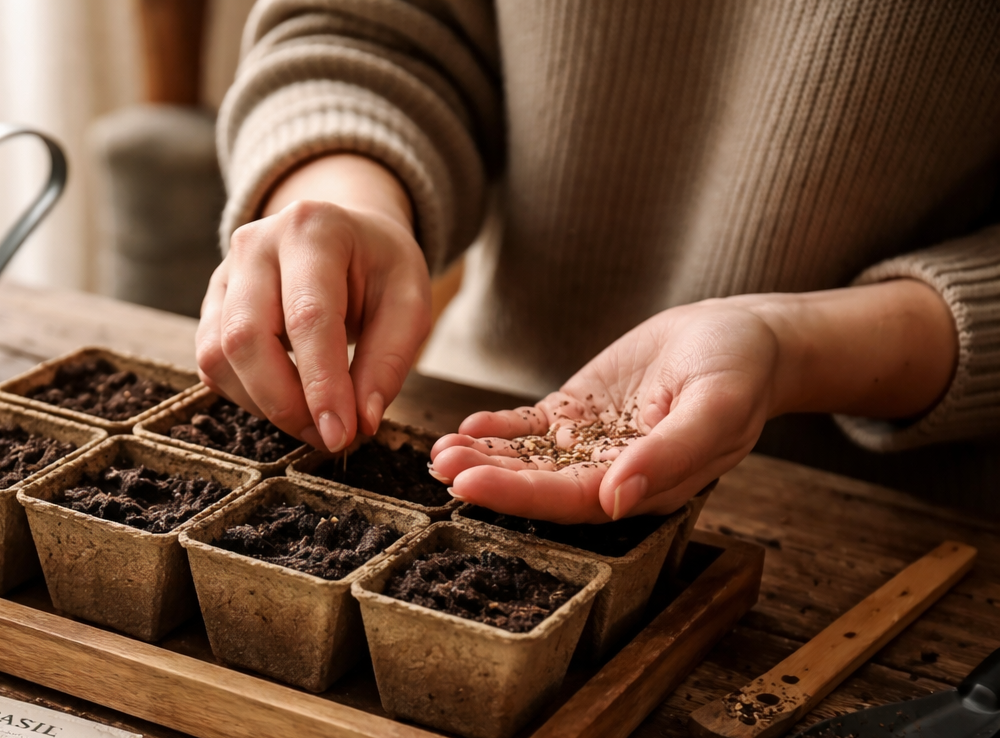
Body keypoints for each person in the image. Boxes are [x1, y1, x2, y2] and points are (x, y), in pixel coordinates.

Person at [195, 1, 1000, 523]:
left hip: (907, 519)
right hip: (478, 407)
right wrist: (351, 201)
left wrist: (790, 343)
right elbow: (366, 27)